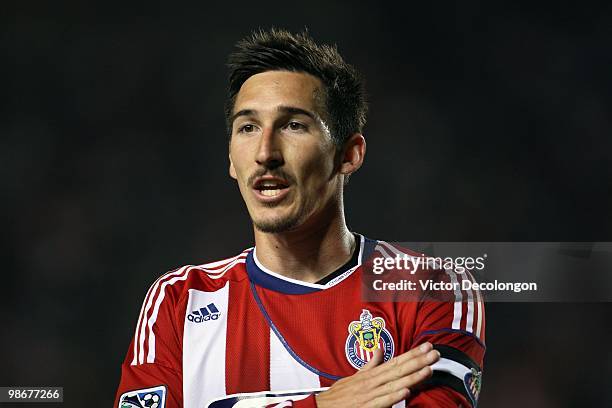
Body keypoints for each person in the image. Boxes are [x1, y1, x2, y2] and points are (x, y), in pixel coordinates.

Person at [115, 28, 485, 408]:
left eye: (294, 125)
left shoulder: (431, 286)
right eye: (248, 127)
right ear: (230, 158)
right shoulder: (180, 300)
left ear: (349, 154)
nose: (265, 152)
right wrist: (325, 405)